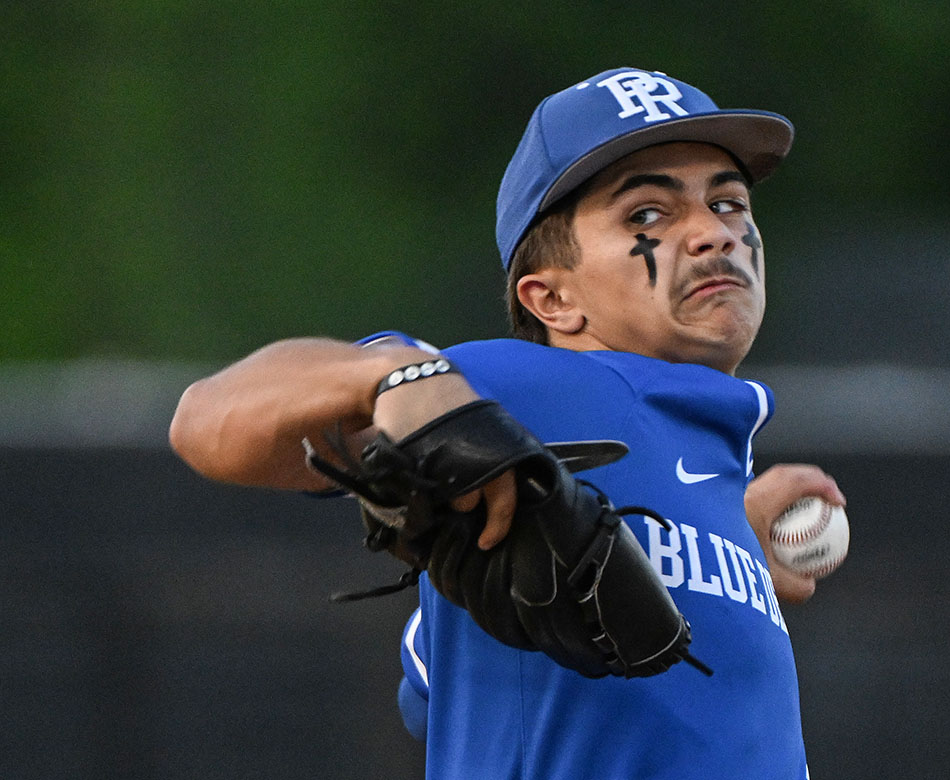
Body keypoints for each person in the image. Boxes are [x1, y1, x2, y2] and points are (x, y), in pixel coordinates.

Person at [170, 66, 847, 780]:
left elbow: (433, 695)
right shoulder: (534, 386)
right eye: (647, 214)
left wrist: (711, 531)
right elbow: (207, 418)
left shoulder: (702, 473)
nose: (715, 233)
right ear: (552, 299)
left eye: (729, 202)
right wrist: (396, 377)